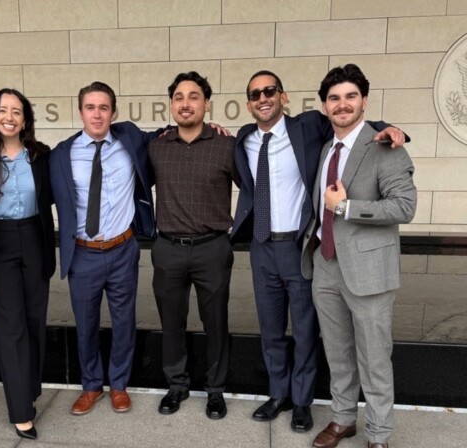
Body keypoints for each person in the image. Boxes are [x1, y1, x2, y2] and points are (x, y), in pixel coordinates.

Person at [230, 70, 407, 433]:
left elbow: (356, 124)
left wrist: (391, 128)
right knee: (271, 328)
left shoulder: (310, 127)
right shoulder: (242, 139)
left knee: (307, 329)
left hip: (299, 245)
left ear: (284, 95)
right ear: (248, 103)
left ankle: (302, 401)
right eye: (254, 94)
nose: (262, 98)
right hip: (262, 245)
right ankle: (278, 393)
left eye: (269, 91)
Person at [301, 64, 416, 448]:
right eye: (334, 98)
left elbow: (404, 207)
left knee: (374, 358)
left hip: (369, 270)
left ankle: (380, 433)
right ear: (325, 106)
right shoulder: (324, 148)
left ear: (364, 102)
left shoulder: (386, 147)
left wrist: (347, 208)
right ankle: (343, 418)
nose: (343, 104)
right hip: (326, 264)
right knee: (338, 353)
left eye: (351, 96)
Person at [50, 81, 161, 416]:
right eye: (90, 107)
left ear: (114, 112)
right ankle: (90, 386)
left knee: (124, 320)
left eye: (103, 108)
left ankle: (119, 385)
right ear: (80, 110)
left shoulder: (130, 140)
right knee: (85, 324)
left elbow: (167, 134)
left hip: (122, 248)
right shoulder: (62, 154)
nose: (97, 114)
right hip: (83, 252)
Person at [150, 71, 240, 420]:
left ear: (207, 104)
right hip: (168, 247)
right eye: (178, 98)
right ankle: (177, 385)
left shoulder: (226, 146)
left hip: (212, 248)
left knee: (215, 322)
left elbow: (253, 185)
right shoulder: (157, 145)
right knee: (171, 322)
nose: (185, 104)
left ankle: (215, 390)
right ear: (171, 104)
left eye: (193, 97)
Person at [0, 88, 55, 440]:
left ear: (26, 119)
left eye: (17, 111)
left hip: (34, 241)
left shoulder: (40, 155)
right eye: (3, 110)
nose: (10, 116)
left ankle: (28, 391)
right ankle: (21, 411)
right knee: (12, 329)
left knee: (35, 322)